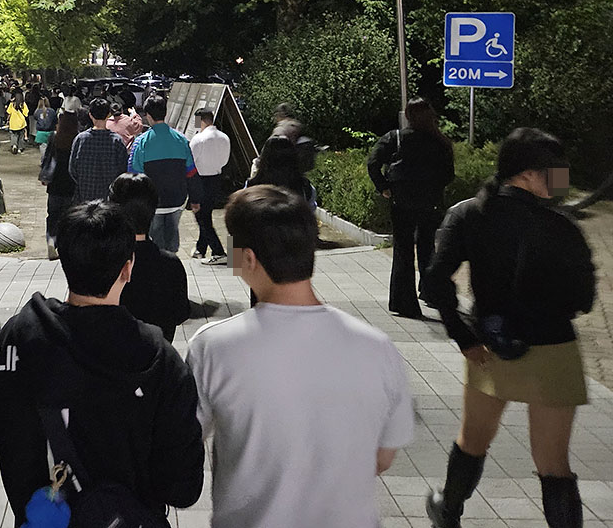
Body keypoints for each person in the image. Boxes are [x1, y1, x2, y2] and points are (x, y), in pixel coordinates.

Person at [186, 185, 415, 528]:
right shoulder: (377, 346)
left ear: (248, 258)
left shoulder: (213, 346)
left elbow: (186, 440)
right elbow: (383, 457)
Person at [0, 200, 204, 525]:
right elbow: (183, 488)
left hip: (42, 519)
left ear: (63, 260)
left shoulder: (19, 335)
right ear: (128, 267)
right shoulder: (160, 359)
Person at [422, 128, 596, 528]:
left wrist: (463, 335)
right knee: (554, 464)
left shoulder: (469, 214)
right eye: (556, 171)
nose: (562, 179)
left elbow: (434, 282)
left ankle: (448, 511)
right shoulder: (562, 225)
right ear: (527, 174)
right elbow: (584, 299)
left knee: (473, 440)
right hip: (555, 351)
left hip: (489, 351)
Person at [367, 97, 456, 319]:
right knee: (427, 245)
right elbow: (448, 175)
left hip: (402, 201)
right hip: (430, 201)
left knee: (403, 250)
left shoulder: (395, 138)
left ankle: (404, 302)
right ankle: (430, 291)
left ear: (407, 115)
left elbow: (373, 163)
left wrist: (384, 187)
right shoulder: (440, 142)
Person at [110, 173, 189, 342]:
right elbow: (181, 313)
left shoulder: (106, 262)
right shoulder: (170, 264)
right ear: (153, 209)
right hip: (159, 351)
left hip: (114, 353)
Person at [128, 95, 203, 254]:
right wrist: (195, 199)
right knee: (172, 234)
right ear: (165, 113)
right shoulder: (181, 139)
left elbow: (134, 176)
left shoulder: (141, 142)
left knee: (155, 240)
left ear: (148, 116)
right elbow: (191, 172)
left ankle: (159, 263)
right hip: (177, 200)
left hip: (153, 203)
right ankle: (172, 259)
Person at [68, 97, 130, 203]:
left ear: (90, 115)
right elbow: (123, 168)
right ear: (108, 115)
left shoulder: (81, 139)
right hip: (109, 198)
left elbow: (72, 169)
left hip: (84, 195)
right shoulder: (117, 141)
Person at [190, 107, 231, 263]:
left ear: (200, 120)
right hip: (216, 178)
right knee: (206, 214)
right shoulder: (224, 137)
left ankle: (218, 251)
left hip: (200, 179)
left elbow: (190, 161)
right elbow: (225, 161)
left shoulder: (198, 139)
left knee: (202, 217)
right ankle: (201, 248)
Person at [40, 110, 79, 256]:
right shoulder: (77, 138)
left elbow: (47, 157)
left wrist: (44, 175)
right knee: (69, 216)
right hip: (71, 183)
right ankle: (65, 245)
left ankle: (51, 241)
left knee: (53, 215)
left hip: (55, 183)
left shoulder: (54, 137)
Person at [247, 133, 316, 207]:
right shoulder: (305, 187)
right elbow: (311, 210)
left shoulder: (251, 185)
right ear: (293, 157)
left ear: (264, 158)